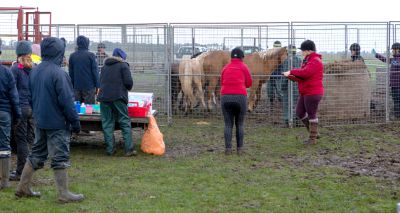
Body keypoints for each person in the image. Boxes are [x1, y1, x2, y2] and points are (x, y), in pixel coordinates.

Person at [15, 37, 84, 203]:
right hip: (57, 123)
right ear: (59, 53)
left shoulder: (35, 71)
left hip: (40, 120)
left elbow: (31, 96)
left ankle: (23, 188)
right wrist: (75, 122)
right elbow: (67, 102)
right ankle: (64, 193)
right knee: (60, 156)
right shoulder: (59, 74)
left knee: (36, 153)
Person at [283, 40, 324, 145]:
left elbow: (305, 73)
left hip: (312, 92)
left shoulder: (315, 61)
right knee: (299, 112)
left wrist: (291, 71)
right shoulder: (307, 60)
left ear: (309, 51)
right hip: (306, 91)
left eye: (303, 50)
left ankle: (312, 138)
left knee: (311, 114)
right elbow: (302, 77)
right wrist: (291, 77)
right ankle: (313, 133)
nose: (301, 52)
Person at [97, 48, 136, 156]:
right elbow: (129, 83)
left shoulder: (104, 67)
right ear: (122, 57)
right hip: (118, 97)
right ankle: (129, 149)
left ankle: (110, 150)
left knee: (107, 123)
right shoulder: (124, 65)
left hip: (104, 98)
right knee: (124, 121)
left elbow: (100, 81)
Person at [9, 41, 35, 181]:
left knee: (21, 141)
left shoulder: (15, 69)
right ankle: (30, 167)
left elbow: (11, 90)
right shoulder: (34, 68)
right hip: (32, 108)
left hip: (21, 108)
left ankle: (20, 172)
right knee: (29, 138)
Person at [220, 47, 252, 155]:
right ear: (242, 57)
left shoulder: (225, 68)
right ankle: (240, 149)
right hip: (240, 97)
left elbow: (222, 82)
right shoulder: (244, 67)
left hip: (225, 97)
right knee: (240, 124)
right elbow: (249, 83)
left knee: (228, 124)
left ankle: (228, 149)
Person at [0, 42, 21, 190]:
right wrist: (17, 114)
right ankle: (5, 181)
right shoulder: (6, 72)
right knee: (4, 146)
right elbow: (14, 96)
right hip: (4, 113)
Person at [68, 35, 99, 104]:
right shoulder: (91, 55)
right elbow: (95, 72)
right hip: (89, 87)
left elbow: (71, 73)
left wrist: (72, 85)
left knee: (77, 108)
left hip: (76, 86)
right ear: (86, 43)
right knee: (89, 109)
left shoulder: (72, 56)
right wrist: (97, 85)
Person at [373, 43, 400, 118]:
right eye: (392, 50)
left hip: (398, 84)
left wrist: (392, 61)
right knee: (395, 100)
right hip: (394, 84)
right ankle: (397, 115)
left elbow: (396, 63)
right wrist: (376, 55)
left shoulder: (397, 60)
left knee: (397, 100)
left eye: (394, 50)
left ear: (398, 50)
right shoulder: (394, 59)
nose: (392, 51)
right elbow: (385, 60)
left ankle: (397, 115)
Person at [281, 45, 302, 127]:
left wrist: (282, 86)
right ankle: (297, 120)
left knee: (287, 103)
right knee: (297, 103)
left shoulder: (286, 61)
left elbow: (285, 74)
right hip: (297, 84)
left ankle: (287, 120)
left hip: (288, 84)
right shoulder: (299, 60)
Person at [267, 40, 283, 108]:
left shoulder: (282, 55)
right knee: (270, 92)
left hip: (278, 76)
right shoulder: (269, 54)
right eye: (275, 47)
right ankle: (271, 105)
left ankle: (282, 104)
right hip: (270, 76)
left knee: (279, 92)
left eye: (278, 47)